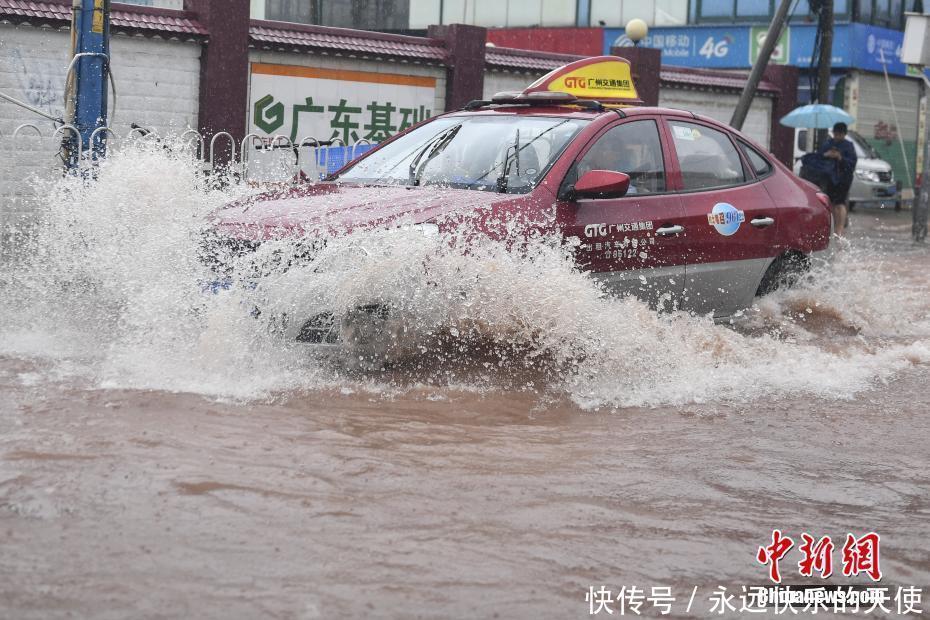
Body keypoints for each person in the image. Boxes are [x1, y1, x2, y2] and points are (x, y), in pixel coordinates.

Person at [817, 122, 857, 236]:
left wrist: (840, 157)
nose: (837, 136)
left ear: (844, 134)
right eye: (836, 134)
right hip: (829, 178)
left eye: (840, 134)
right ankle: (834, 227)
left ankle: (840, 228)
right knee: (831, 203)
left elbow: (852, 163)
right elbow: (819, 158)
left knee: (840, 203)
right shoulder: (828, 143)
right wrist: (826, 155)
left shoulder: (848, 146)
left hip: (844, 178)